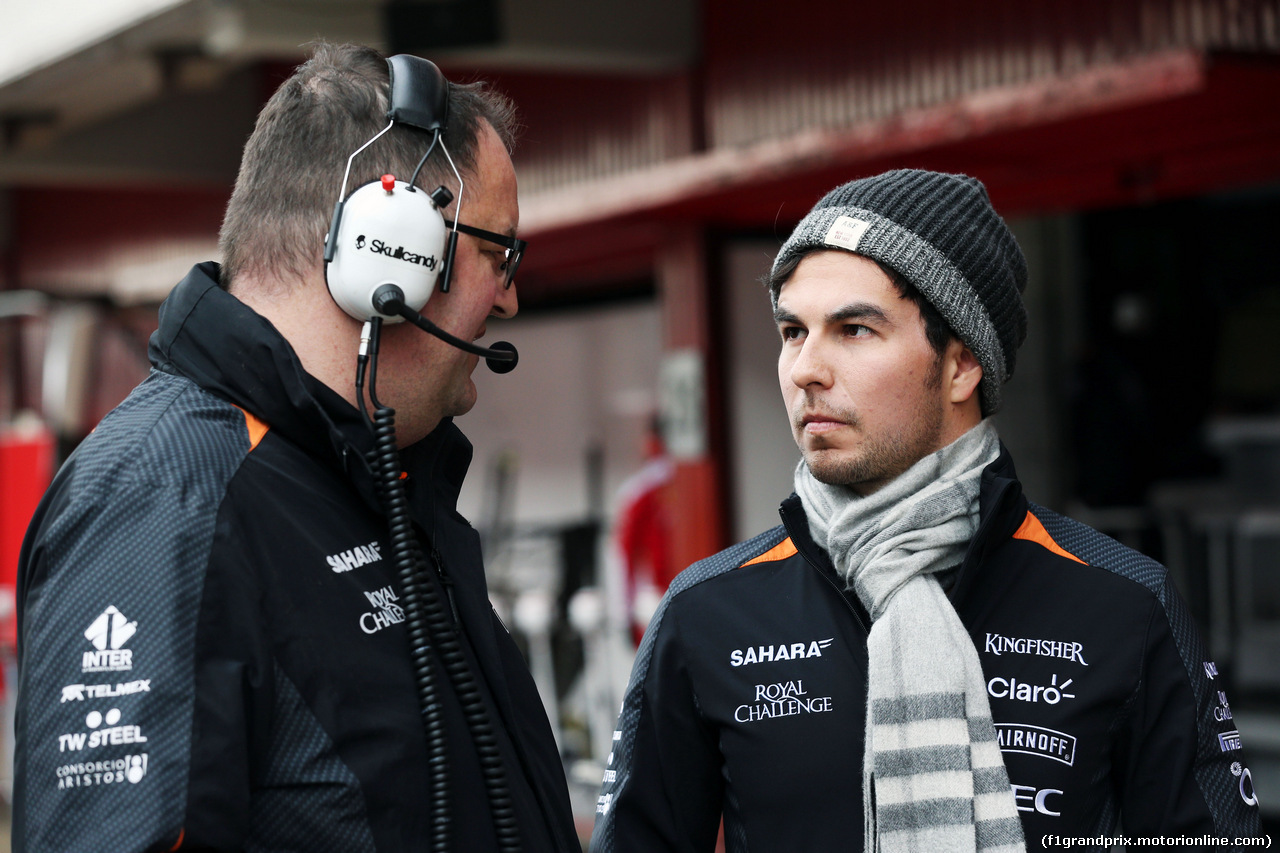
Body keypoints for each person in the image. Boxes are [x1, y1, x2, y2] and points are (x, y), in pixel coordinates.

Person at [590, 170, 1262, 852]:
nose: (804, 369)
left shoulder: (1123, 601)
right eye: (794, 331)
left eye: (854, 329)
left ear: (962, 364)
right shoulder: (709, 611)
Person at [14, 43, 578, 852]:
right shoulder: (163, 501)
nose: (510, 296)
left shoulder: (367, 477)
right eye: (499, 252)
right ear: (393, 249)